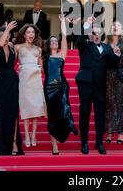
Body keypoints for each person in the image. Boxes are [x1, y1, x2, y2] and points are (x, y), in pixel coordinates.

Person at [76, 16, 121, 155]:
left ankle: (99, 142)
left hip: (100, 85)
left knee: (100, 114)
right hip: (86, 84)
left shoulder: (107, 48)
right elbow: (79, 40)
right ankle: (84, 142)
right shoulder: (85, 45)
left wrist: (117, 55)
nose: (96, 35)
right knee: (84, 112)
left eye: (98, 33)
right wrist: (86, 25)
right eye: (93, 33)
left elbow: (113, 64)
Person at [42, 15, 79, 155]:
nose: (54, 42)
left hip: (62, 87)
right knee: (52, 117)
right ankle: (54, 145)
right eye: (51, 41)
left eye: (55, 41)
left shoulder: (62, 54)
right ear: (48, 44)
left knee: (64, 112)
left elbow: (64, 36)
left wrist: (63, 22)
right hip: (49, 89)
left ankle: (68, 125)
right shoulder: (43, 57)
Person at [0, 22, 24, 155]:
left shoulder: (12, 47)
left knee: (14, 113)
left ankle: (15, 142)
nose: (7, 36)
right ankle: (4, 146)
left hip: (13, 81)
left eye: (9, 34)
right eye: (4, 34)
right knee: (2, 115)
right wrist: (6, 30)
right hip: (0, 83)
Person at [15, 24, 47, 148]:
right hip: (24, 81)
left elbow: (42, 68)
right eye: (28, 32)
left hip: (36, 81)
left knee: (36, 109)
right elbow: (13, 63)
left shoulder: (38, 49)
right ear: (24, 34)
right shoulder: (18, 47)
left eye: (33, 32)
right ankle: (26, 136)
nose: (31, 34)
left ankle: (34, 135)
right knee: (26, 109)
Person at [104, 21, 123, 145]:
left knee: (122, 103)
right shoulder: (106, 40)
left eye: (118, 25)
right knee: (109, 103)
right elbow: (102, 55)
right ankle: (109, 132)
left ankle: (120, 133)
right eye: (113, 25)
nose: (115, 27)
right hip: (108, 73)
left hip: (120, 72)